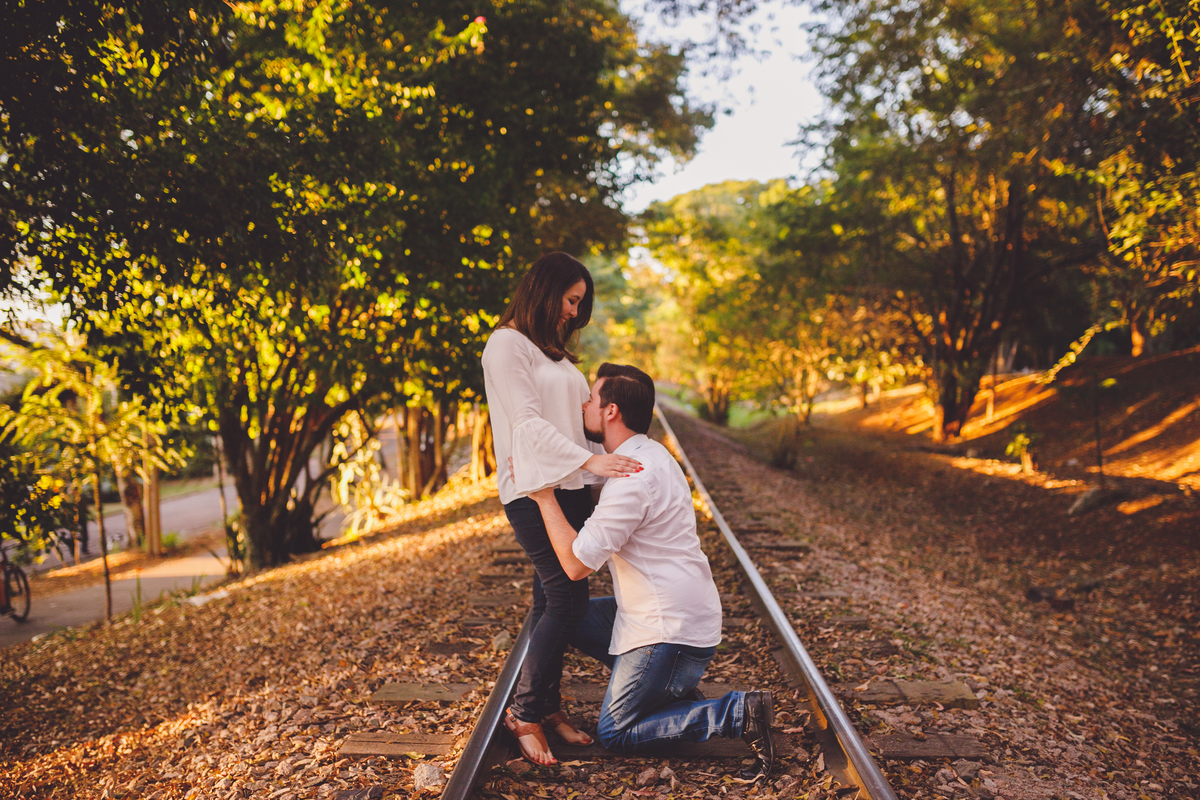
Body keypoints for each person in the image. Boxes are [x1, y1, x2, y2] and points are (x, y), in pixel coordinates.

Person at [527, 363, 776, 778]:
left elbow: (574, 565)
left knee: (617, 730)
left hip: (667, 629)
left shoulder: (632, 477)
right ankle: (664, 693)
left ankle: (736, 713)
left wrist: (542, 497)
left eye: (590, 397)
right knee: (563, 615)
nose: (583, 404)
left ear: (611, 412)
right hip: (659, 614)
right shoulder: (649, 453)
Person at [482, 252, 643, 766]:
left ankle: (547, 708)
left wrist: (604, 464)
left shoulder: (551, 352)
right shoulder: (505, 345)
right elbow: (527, 425)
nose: (575, 312)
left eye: (580, 303)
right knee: (568, 601)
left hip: (571, 485)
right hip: (533, 490)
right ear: (546, 290)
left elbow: (577, 425)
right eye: (571, 300)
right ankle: (525, 712)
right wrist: (594, 465)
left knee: (551, 603)